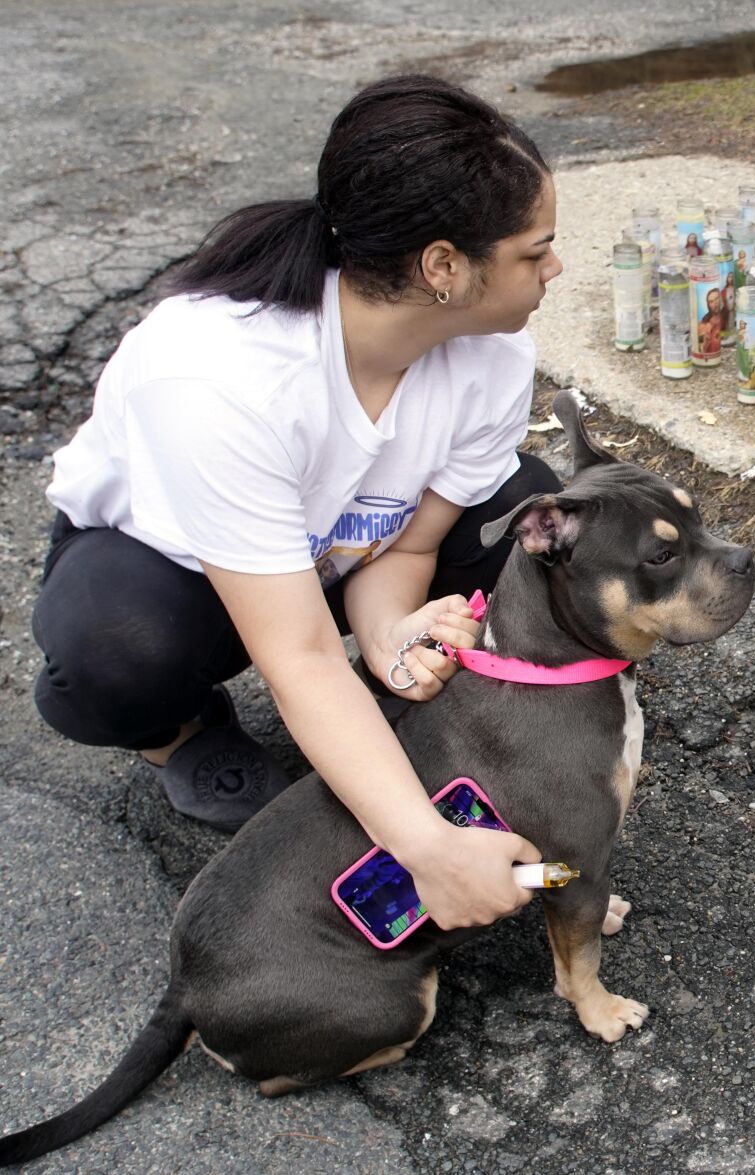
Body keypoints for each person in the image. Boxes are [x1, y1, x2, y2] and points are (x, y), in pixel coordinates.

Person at [31, 76, 564, 932]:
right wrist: (424, 849)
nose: (553, 268)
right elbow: (300, 653)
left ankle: (392, 717)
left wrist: (392, 633)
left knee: (530, 509)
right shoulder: (220, 376)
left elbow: (402, 547)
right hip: (180, 573)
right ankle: (176, 730)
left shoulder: (489, 356)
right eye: (534, 252)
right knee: (116, 652)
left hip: (336, 556)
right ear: (443, 266)